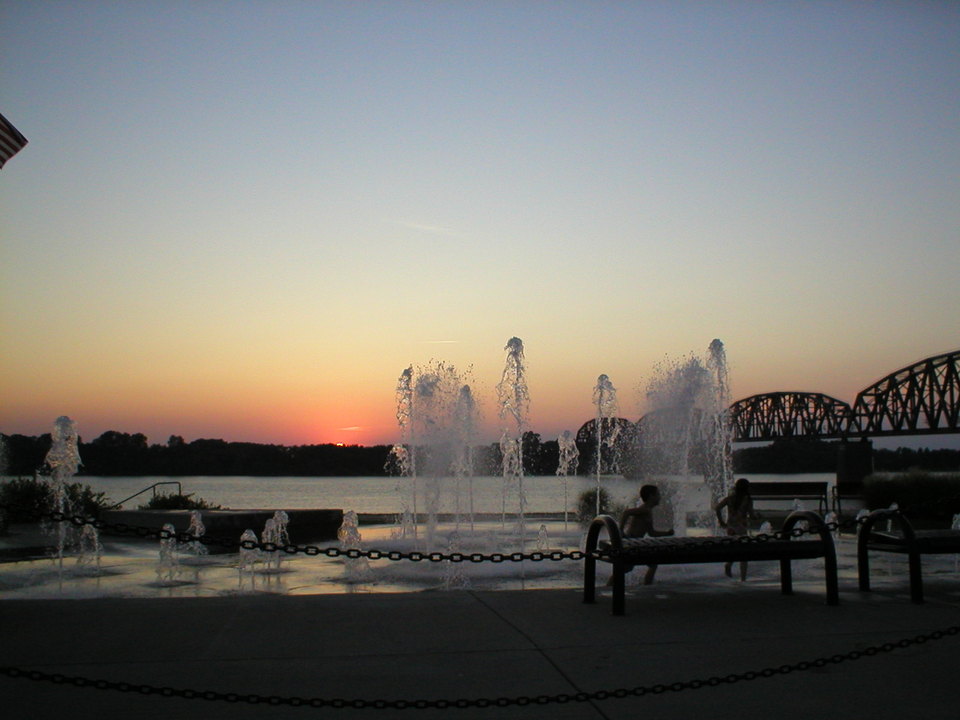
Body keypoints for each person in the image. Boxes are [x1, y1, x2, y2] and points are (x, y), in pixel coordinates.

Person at [618, 484, 674, 585]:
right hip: (632, 541)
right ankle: (647, 585)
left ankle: (647, 584)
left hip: (636, 542)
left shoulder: (648, 511)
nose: (660, 497)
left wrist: (667, 533)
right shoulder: (645, 509)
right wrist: (620, 531)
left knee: (628, 568)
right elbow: (626, 512)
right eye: (658, 494)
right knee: (650, 565)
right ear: (651, 496)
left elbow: (651, 533)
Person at [716, 477, 756, 581]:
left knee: (734, 549)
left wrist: (721, 521)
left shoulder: (730, 498)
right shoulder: (747, 499)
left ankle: (729, 564)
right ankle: (743, 578)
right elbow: (751, 515)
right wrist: (757, 516)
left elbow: (717, 508)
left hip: (731, 528)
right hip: (741, 529)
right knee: (744, 554)